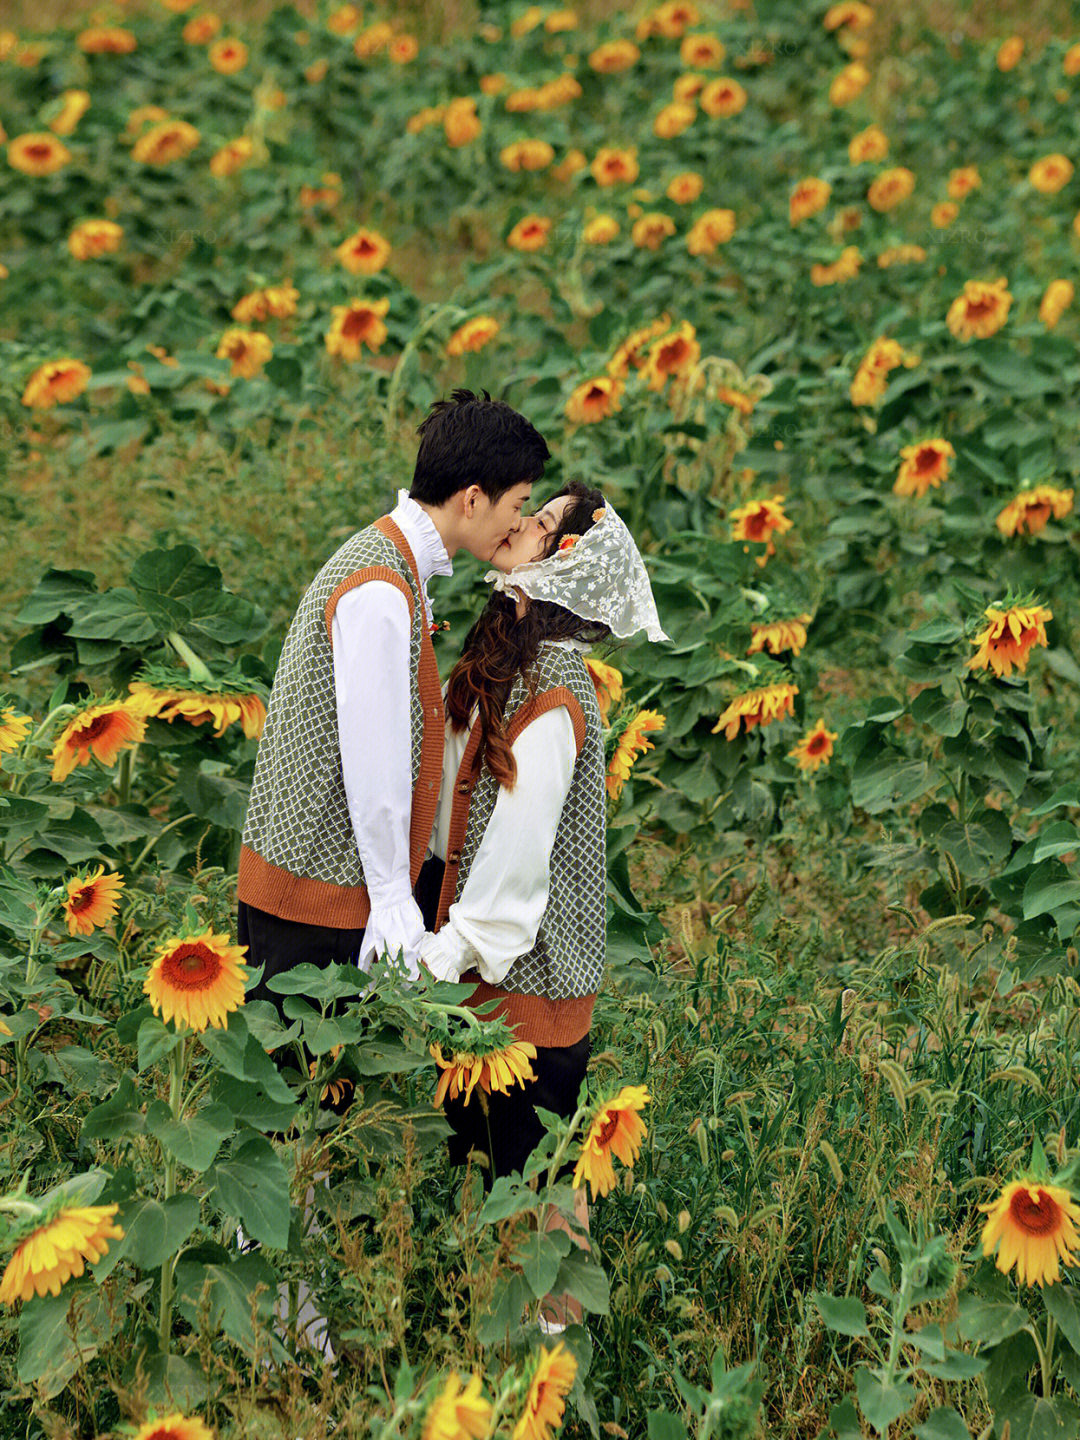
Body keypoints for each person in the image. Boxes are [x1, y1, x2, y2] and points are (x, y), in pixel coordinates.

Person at [234, 389, 549, 1366]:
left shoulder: (392, 568)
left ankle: (294, 1334)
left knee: (305, 1117)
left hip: (319, 888)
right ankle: (281, 1343)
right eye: (515, 503)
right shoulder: (376, 588)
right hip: (312, 897)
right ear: (470, 496)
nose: (517, 523)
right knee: (288, 1124)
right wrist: (388, 907)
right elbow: (373, 771)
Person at [413, 479, 669, 1334]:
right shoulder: (509, 664)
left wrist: (444, 953)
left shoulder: (557, 690)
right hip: (476, 951)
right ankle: (519, 1359)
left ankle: (554, 1373)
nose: (520, 522)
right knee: (509, 1181)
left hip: (523, 972)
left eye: (545, 519)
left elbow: (519, 858)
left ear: (566, 557)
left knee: (538, 1188)